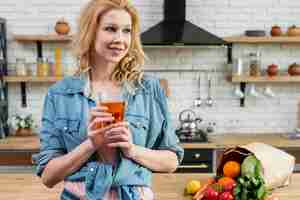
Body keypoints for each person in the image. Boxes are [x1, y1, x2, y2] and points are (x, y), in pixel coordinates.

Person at [36, 0, 184, 199]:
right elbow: (48, 177)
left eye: (126, 31)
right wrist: (90, 145)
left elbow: (171, 161)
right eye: (110, 29)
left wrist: (132, 150)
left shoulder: (149, 89)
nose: (120, 39)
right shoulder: (60, 94)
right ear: (91, 32)